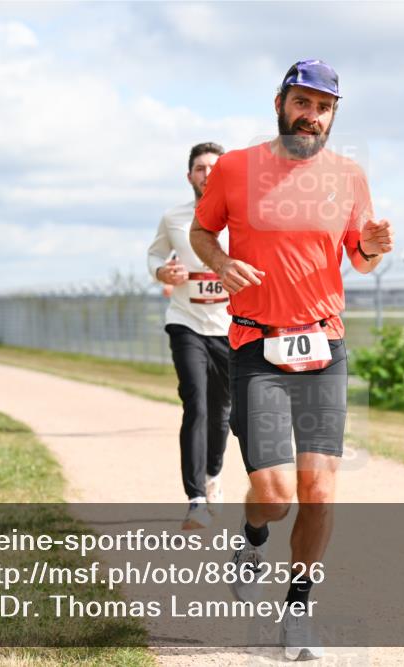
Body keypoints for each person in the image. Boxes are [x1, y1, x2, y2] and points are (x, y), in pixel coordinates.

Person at [190, 59, 393, 660]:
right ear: (279, 102)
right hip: (256, 344)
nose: (312, 116)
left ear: (333, 116)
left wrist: (375, 249)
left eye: (324, 107)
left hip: (324, 345)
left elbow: (360, 258)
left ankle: (298, 614)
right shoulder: (234, 168)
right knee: (275, 495)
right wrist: (222, 265)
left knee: (321, 493)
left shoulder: (349, 176)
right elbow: (204, 234)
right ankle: (253, 537)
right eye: (303, 102)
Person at [148, 142, 232, 530]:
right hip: (185, 321)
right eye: (200, 168)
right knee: (195, 403)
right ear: (190, 176)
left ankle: (213, 476)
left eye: (214, 167)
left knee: (221, 412)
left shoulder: (241, 217)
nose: (207, 173)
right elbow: (154, 255)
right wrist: (162, 272)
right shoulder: (173, 217)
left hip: (231, 327)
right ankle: (195, 499)